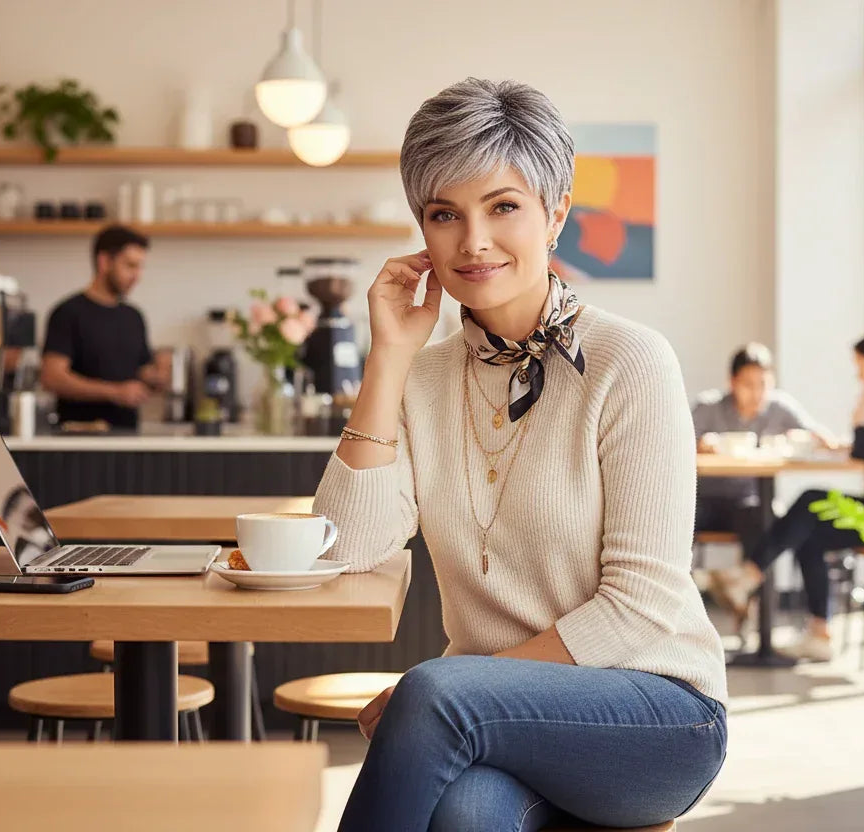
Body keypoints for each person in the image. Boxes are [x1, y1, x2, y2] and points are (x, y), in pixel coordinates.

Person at [311, 78, 728, 832]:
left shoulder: (629, 360)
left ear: (556, 213)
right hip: (491, 717)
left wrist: (448, 688)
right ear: (422, 232)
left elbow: (642, 607)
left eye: (503, 207)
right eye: (445, 214)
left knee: (432, 694)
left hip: (658, 710)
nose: (472, 241)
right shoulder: (425, 378)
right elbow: (347, 549)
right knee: (467, 819)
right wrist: (388, 361)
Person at [708, 323, 864, 661]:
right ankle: (819, 633)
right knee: (809, 532)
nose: (860, 378)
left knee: (812, 502)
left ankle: (748, 575)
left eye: (862, 369)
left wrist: (861, 419)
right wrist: (860, 431)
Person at [692, 343, 833, 599]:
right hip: (704, 501)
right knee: (676, 518)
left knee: (765, 522)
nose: (757, 393)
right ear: (732, 382)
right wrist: (699, 445)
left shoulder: (780, 408)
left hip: (747, 501)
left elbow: (819, 437)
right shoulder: (708, 407)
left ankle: (752, 604)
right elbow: (673, 447)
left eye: (763, 384)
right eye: (748, 384)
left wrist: (805, 439)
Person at [40, 225, 167, 430]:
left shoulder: (134, 317)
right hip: (79, 437)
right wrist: (115, 392)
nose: (138, 276)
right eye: (130, 266)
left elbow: (141, 371)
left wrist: (158, 377)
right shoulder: (67, 313)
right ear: (105, 261)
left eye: (141, 267)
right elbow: (52, 377)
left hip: (128, 435)